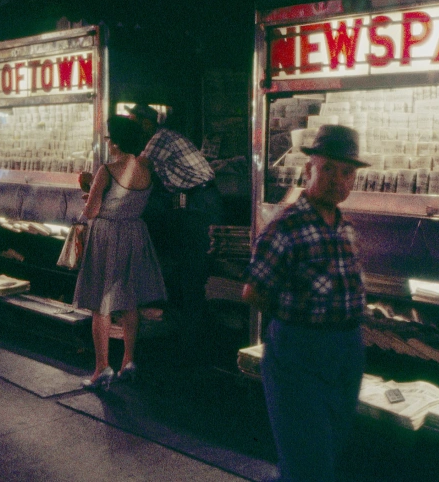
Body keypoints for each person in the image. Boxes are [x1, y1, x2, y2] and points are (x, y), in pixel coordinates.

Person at [242, 125, 368, 482]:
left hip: (346, 351)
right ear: (309, 169)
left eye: (347, 173)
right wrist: (297, 320)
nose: (338, 180)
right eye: (328, 169)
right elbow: (253, 291)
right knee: (308, 460)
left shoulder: (345, 228)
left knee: (328, 449)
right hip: (300, 350)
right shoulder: (285, 226)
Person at [126, 103, 223, 366]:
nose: (132, 129)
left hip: (202, 203)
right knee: (185, 272)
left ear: (147, 123)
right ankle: (188, 338)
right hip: (195, 202)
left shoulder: (160, 138)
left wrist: (108, 182)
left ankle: (194, 347)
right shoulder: (160, 139)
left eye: (133, 123)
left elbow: (138, 170)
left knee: (193, 272)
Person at [74, 116, 166, 390]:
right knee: (129, 301)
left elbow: (91, 212)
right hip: (135, 233)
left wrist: (89, 196)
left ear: (115, 142)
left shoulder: (107, 170)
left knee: (100, 304)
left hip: (108, 235)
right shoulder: (146, 171)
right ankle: (128, 361)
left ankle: (102, 368)